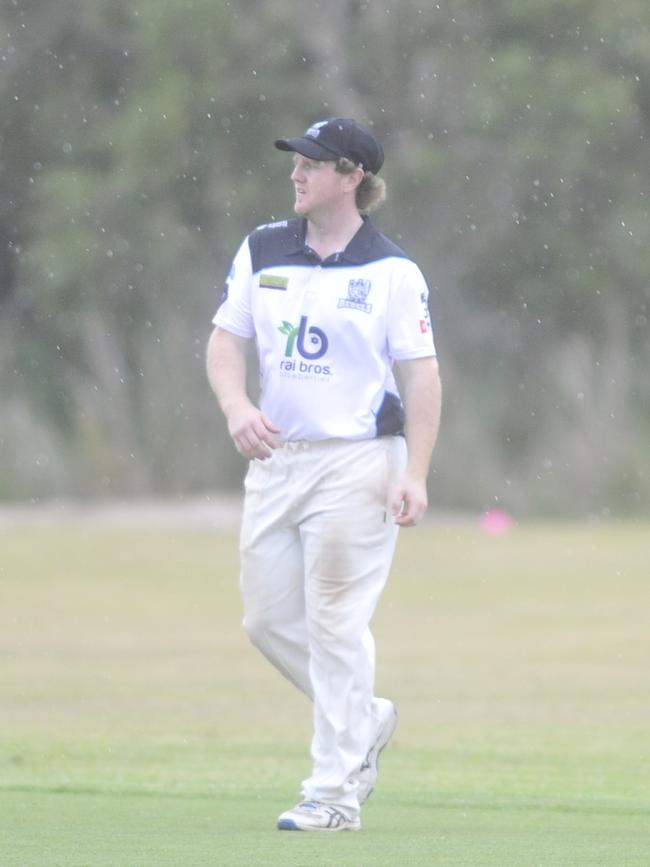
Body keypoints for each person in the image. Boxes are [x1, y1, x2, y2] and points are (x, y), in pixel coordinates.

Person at [206, 117, 441, 832]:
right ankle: (363, 716)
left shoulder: (392, 271)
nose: (295, 175)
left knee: (336, 624)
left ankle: (333, 794)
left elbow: (421, 375)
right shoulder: (263, 247)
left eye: (310, 165)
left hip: (360, 462)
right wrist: (237, 405)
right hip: (278, 461)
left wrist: (418, 473)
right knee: (266, 618)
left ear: (352, 176)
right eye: (295, 164)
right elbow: (225, 340)